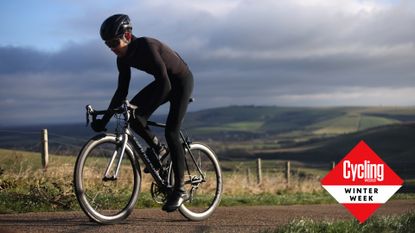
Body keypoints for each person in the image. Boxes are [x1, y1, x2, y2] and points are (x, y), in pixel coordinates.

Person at [91, 14, 194, 212]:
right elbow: (122, 92)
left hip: (180, 82)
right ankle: (159, 150)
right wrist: (104, 119)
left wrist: (143, 112)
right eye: (107, 45)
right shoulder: (122, 59)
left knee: (171, 132)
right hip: (163, 82)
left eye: (114, 42)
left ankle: (180, 189)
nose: (112, 48)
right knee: (133, 117)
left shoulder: (147, 46)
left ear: (128, 36)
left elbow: (165, 84)